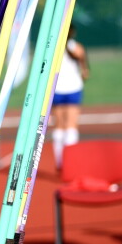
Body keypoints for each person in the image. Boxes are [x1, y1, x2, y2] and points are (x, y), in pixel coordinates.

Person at [51, 24, 89, 169]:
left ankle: (60, 162)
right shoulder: (78, 48)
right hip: (73, 88)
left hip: (57, 89)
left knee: (59, 126)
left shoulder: (53, 48)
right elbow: (85, 73)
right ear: (72, 33)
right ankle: (71, 162)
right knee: (71, 126)